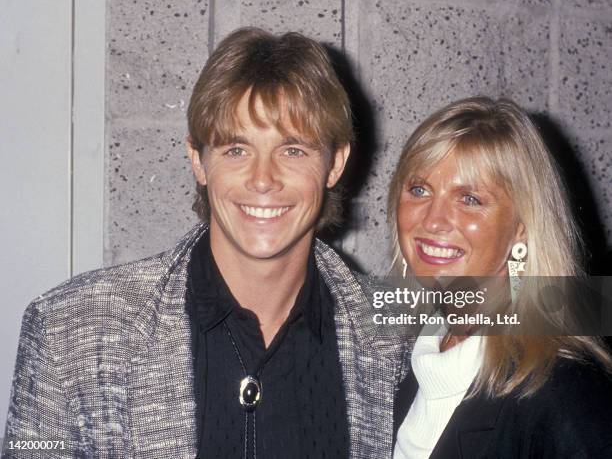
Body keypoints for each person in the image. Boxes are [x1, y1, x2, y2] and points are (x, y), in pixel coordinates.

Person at [4, 28, 411, 458]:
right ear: (199, 160)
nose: (262, 179)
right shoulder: (69, 326)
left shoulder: (398, 329)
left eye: (293, 150)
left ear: (335, 164)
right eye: (236, 149)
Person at [388, 97, 612, 458]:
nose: (432, 220)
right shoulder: (402, 365)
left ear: (521, 229)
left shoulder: (565, 394)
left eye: (470, 199)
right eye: (419, 190)